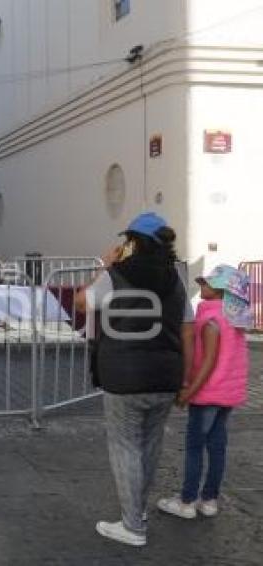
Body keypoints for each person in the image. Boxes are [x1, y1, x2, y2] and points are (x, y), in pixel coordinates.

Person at [74, 212, 193, 547]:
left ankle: (133, 526)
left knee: (125, 448)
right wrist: (186, 379)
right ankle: (136, 513)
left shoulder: (117, 274)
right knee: (150, 448)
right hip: (166, 377)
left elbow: (81, 303)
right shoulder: (175, 277)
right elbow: (188, 327)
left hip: (124, 377)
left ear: (134, 243)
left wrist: (104, 265)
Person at [157, 265, 251, 520]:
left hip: (208, 394)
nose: (201, 286)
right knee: (217, 446)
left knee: (195, 447)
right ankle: (209, 500)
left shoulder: (211, 319)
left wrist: (189, 392)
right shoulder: (234, 318)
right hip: (227, 395)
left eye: (207, 283)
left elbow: (208, 362)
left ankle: (187, 501)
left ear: (221, 290)